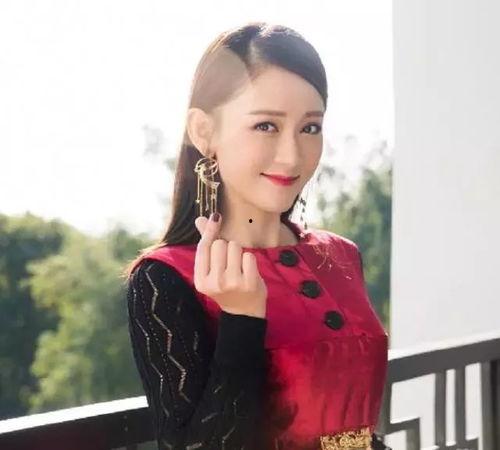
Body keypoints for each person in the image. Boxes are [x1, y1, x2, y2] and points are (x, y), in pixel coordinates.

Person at [123, 21, 391, 450]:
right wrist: (242, 319)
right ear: (204, 131)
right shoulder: (165, 277)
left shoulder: (341, 255)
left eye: (310, 127)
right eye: (266, 125)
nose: (292, 155)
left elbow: (360, 433)